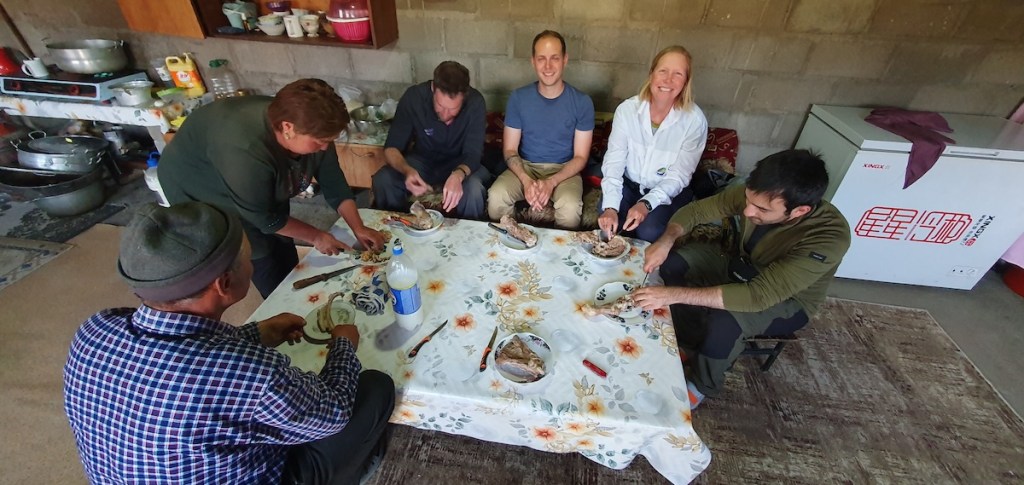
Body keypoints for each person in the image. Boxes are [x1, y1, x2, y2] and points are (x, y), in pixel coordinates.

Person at [64, 202, 395, 484]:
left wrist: (251, 334)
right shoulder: (251, 372)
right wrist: (342, 347)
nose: (251, 264)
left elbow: (177, 350)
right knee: (375, 388)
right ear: (224, 283)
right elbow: (332, 413)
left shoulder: (93, 330)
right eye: (248, 257)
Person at [633, 150, 851, 409]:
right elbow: (695, 211)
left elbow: (757, 295)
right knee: (673, 263)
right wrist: (666, 240)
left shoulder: (828, 237)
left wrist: (674, 295)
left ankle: (702, 384)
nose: (747, 210)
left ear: (799, 211)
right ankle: (688, 342)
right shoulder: (758, 193)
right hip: (740, 263)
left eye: (761, 209)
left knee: (726, 320)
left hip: (787, 299)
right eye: (748, 200)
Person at [158, 78, 385, 298]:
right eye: (319, 142)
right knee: (257, 248)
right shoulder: (244, 148)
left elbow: (333, 181)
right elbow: (262, 217)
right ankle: (279, 303)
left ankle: (290, 283)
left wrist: (358, 227)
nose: (325, 147)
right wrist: (316, 236)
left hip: (245, 170)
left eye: (329, 140)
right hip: (200, 181)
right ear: (288, 128)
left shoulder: (311, 128)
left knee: (282, 239)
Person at [598, 45, 708, 243]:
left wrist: (647, 204)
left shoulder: (694, 121)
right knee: (609, 229)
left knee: (649, 231)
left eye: (678, 74)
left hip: (669, 191)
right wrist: (610, 207)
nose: (668, 80)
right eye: (663, 71)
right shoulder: (627, 111)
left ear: (686, 81)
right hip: (628, 185)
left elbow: (679, 175)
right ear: (651, 74)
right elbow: (614, 162)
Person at [487, 30, 595, 229]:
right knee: (496, 197)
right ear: (533, 61)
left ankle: (560, 258)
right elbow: (510, 150)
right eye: (541, 59)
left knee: (570, 208)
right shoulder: (519, 98)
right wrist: (527, 181)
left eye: (555, 58)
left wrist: (551, 182)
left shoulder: (582, 102)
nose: (547, 66)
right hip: (526, 166)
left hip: (564, 169)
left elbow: (580, 157)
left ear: (565, 60)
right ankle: (510, 247)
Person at [372, 60, 489, 219]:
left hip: (461, 163)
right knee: (383, 179)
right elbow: (392, 147)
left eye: (453, 109)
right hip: (422, 161)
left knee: (474, 189)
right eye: (441, 106)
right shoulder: (414, 97)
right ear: (433, 88)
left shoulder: (476, 102)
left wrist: (458, 175)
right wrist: (407, 170)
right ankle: (397, 234)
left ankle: (467, 240)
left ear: (464, 97)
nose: (446, 114)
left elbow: (474, 154)